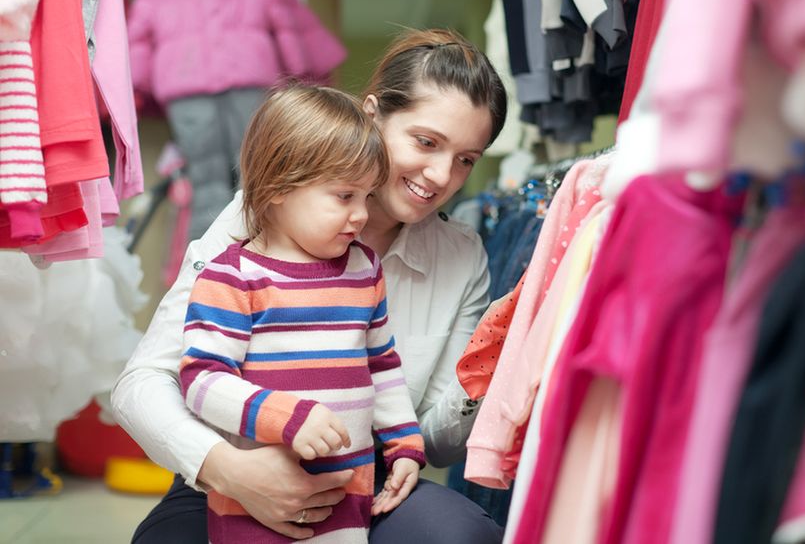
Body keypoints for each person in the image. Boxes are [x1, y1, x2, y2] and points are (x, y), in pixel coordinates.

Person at [112, 28, 508, 543]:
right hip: (233, 464)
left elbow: (433, 440)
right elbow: (142, 383)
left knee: (459, 535)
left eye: (466, 160)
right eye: (426, 142)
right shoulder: (255, 221)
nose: (439, 175)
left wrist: (493, 361)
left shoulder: (460, 255)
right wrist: (229, 470)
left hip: (365, 478)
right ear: (371, 115)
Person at [178, 84, 427, 543]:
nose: (359, 215)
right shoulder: (232, 277)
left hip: (347, 496)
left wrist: (404, 445)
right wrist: (285, 417)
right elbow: (202, 380)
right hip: (254, 504)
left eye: (367, 197)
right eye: (344, 195)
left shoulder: (364, 268)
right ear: (278, 187)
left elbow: (383, 366)